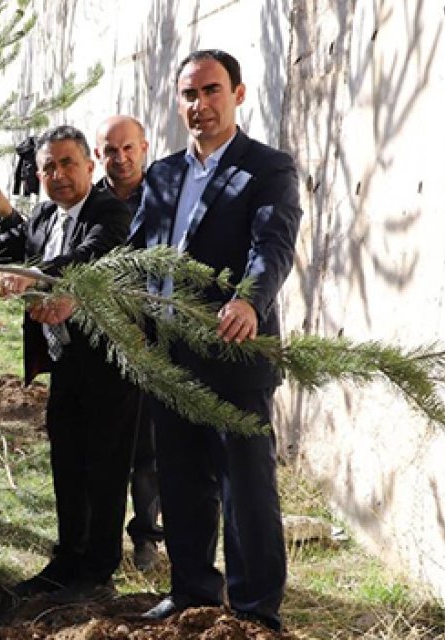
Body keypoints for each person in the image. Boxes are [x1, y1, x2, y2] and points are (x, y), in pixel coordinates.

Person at [0, 125, 141, 603]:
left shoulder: (109, 212)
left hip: (109, 369)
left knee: (104, 469)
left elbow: (89, 256)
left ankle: (97, 572)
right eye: (49, 167)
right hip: (64, 366)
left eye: (67, 163)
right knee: (67, 464)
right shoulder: (41, 220)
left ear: (89, 165)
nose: (58, 175)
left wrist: (32, 277)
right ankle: (68, 560)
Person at [130, 50, 302, 631]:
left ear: (238, 93)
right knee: (180, 481)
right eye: (188, 95)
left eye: (211, 91)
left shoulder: (268, 169)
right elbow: (136, 255)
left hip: (234, 354)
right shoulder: (163, 174)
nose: (199, 105)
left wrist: (250, 300)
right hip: (168, 356)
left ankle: (255, 610)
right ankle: (193, 594)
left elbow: (272, 244)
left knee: (245, 487)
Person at [94, 115, 162, 571]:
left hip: (152, 334)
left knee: (146, 449)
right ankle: (98, 541)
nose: (120, 159)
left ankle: (145, 538)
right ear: (98, 154)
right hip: (98, 338)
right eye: (110, 151)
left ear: (144, 147)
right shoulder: (89, 199)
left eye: (128, 149)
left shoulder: (164, 196)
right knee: (101, 445)